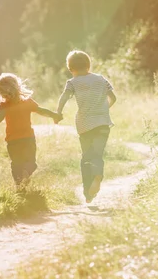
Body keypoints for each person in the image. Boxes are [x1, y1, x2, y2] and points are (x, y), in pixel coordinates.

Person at [0, 73, 62, 187]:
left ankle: (19, 186)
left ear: (1, 92)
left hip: (13, 141)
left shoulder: (5, 106)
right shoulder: (27, 102)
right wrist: (54, 115)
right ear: (17, 86)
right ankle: (26, 173)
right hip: (28, 139)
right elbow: (41, 110)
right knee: (31, 163)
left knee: (16, 164)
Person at [57, 50, 117, 203]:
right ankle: (98, 176)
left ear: (71, 68)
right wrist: (103, 110)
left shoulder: (72, 82)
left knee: (86, 157)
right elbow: (113, 97)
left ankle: (87, 192)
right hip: (103, 123)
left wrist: (58, 112)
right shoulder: (101, 79)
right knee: (97, 154)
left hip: (84, 125)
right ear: (88, 65)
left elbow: (64, 97)